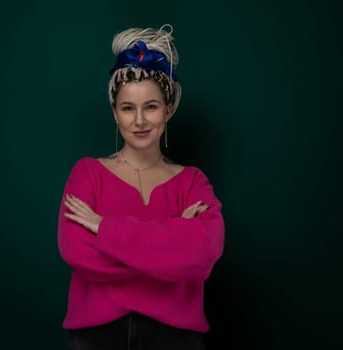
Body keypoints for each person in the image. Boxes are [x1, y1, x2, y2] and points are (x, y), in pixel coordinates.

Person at [57, 24, 225, 350]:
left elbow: (201, 256)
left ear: (168, 109)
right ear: (115, 113)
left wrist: (104, 229)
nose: (139, 121)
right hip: (96, 339)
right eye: (127, 108)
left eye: (150, 106)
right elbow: (77, 251)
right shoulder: (87, 173)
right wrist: (172, 238)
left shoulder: (192, 182)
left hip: (175, 339)